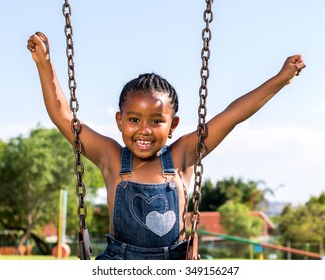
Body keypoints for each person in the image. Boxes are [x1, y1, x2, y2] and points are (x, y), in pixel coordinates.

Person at [27, 31, 306, 260]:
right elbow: (64, 117)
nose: (144, 130)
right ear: (119, 120)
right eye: (134, 119)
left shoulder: (182, 155)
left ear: (172, 125)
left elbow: (232, 116)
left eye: (156, 120)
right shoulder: (110, 156)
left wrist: (280, 79)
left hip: (174, 265)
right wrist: (44, 63)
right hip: (118, 264)